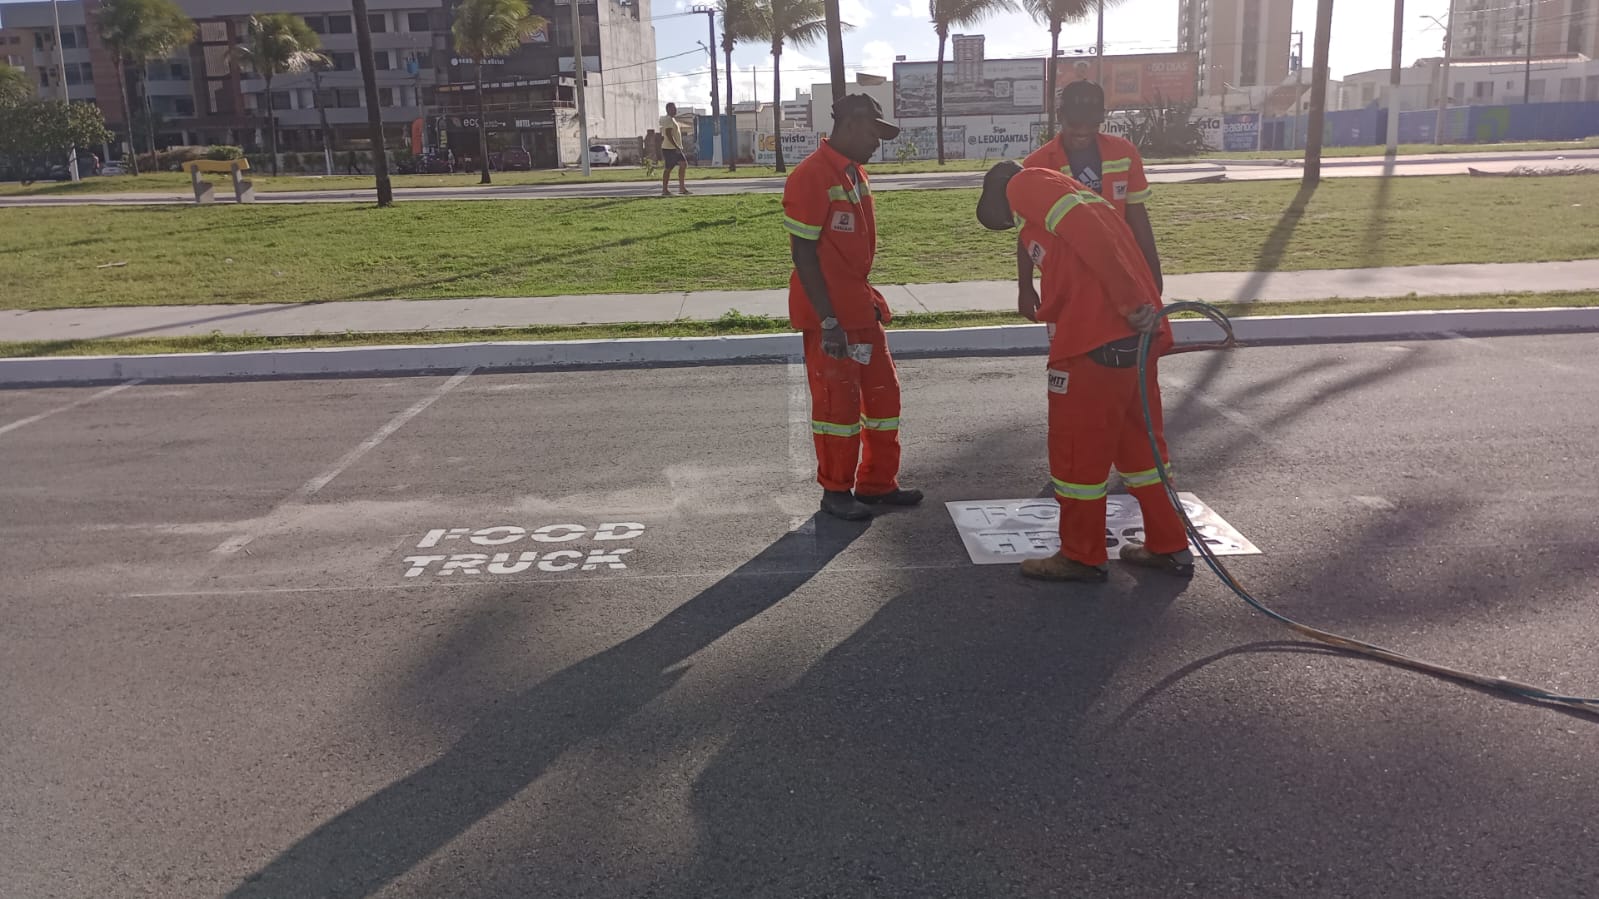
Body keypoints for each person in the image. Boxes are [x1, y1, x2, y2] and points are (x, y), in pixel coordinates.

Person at [977, 160, 1193, 581]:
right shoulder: (1068, 191)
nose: (1017, 225)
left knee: (1077, 455)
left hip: (1095, 340)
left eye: (1010, 219)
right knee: (1142, 451)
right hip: (1128, 340)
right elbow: (1088, 242)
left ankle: (1081, 554)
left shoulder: (1025, 184)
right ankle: (1169, 544)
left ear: (1003, 193)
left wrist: (1130, 302)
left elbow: (1090, 237)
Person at [782, 94, 923, 521]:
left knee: (883, 398)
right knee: (836, 406)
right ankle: (836, 491)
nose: (878, 143)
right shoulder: (810, 176)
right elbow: (803, 255)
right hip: (831, 316)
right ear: (850, 126)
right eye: (873, 133)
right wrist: (828, 320)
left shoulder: (854, 173)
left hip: (860, 307)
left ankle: (878, 484)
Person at [1017, 80, 1164, 322]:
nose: (1083, 130)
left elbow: (1137, 215)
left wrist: (1153, 270)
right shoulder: (1037, 164)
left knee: (1124, 350)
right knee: (1071, 352)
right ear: (1059, 116)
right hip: (1066, 279)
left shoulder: (1124, 152)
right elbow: (1027, 231)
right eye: (1075, 123)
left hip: (1121, 273)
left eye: (1093, 123)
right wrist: (1024, 286)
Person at [659, 103, 689, 197]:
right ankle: (665, 190)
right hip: (670, 148)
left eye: (675, 108)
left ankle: (681, 188)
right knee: (668, 168)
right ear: (668, 109)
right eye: (673, 109)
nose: (675, 110)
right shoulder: (668, 119)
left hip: (674, 148)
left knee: (683, 164)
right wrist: (676, 146)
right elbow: (668, 134)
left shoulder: (672, 119)